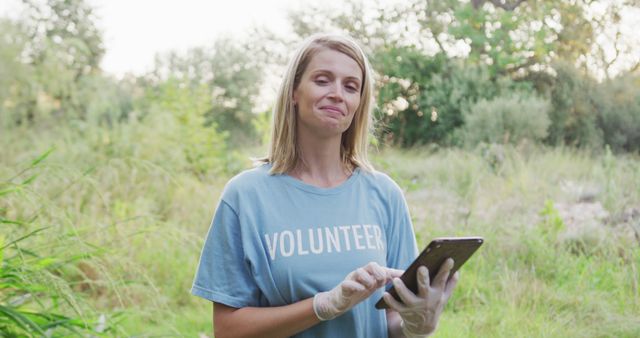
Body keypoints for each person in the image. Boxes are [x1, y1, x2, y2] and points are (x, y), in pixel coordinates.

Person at [191, 33, 459, 338]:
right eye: (322, 80)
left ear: (359, 102)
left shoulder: (384, 194)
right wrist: (323, 305)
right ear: (294, 91)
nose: (337, 94)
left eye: (350, 86)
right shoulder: (245, 196)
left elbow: (392, 320)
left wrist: (417, 325)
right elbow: (227, 330)